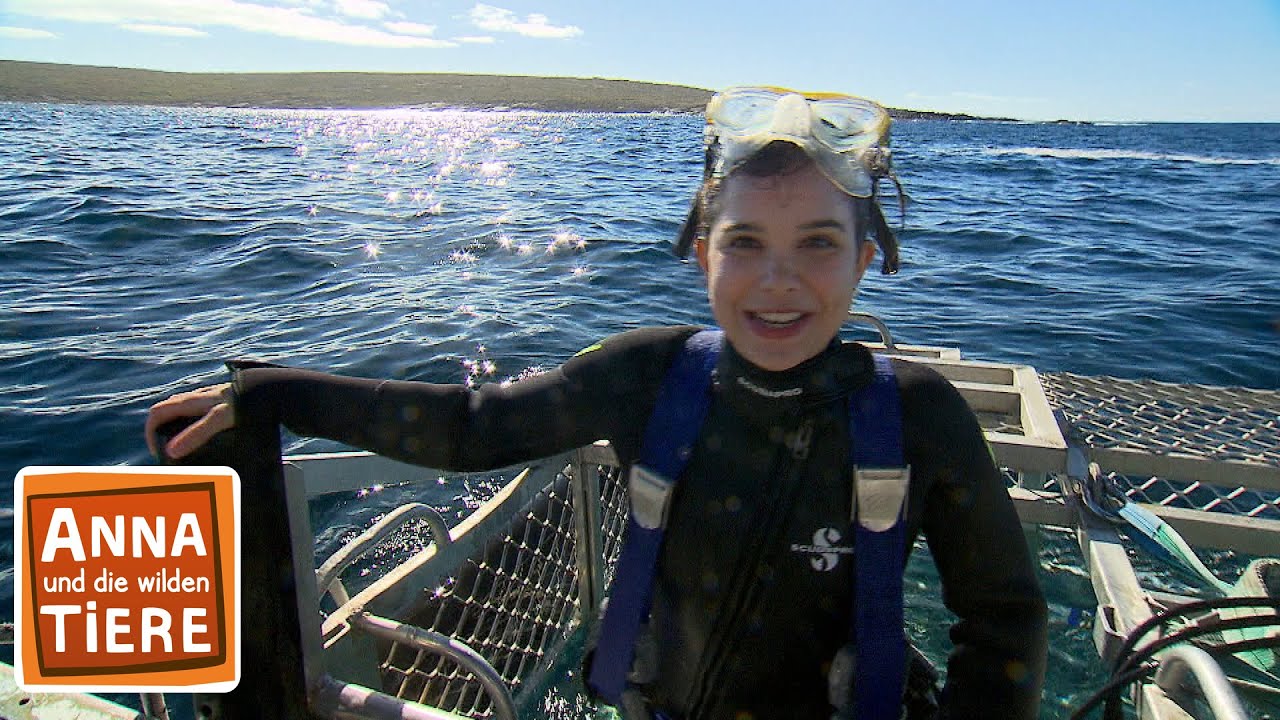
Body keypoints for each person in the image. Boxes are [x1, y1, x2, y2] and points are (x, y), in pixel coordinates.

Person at [147, 86, 1048, 719]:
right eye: (745, 242)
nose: (779, 281)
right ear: (702, 253)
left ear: (864, 259)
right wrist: (275, 392)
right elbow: (474, 427)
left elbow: (1002, 614)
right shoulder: (648, 374)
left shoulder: (920, 415)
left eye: (818, 243)